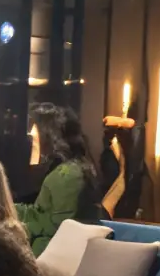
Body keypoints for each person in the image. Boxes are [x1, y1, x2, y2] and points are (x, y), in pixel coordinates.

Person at [17, 103, 102, 255]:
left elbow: (58, 227)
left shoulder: (68, 175)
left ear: (47, 136)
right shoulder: (65, 170)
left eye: (34, 133)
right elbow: (41, 213)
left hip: (49, 258)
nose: (30, 134)